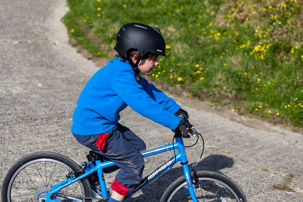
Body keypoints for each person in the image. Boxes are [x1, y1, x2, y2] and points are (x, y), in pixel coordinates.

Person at [71, 22, 189, 202]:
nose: (156, 63)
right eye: (153, 59)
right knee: (134, 164)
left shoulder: (127, 71)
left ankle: (91, 174)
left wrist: (176, 110)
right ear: (136, 57)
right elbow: (143, 103)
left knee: (137, 146)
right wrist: (174, 123)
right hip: (93, 129)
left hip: (102, 124)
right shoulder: (121, 76)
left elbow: (151, 92)